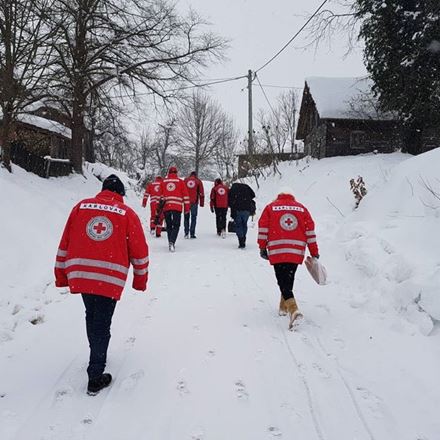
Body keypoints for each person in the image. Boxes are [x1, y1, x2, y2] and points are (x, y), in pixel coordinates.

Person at [54, 175, 149, 394]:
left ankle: (95, 353)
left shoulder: (80, 207)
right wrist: (140, 279)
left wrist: (61, 274)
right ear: (121, 194)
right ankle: (95, 374)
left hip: (81, 274)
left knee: (92, 314)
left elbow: (65, 242)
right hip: (109, 277)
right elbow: (139, 249)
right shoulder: (127, 214)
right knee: (102, 322)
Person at [257, 187, 319, 329]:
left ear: (278, 196)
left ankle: (293, 310)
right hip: (295, 250)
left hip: (277, 250)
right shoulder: (302, 209)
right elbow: (310, 231)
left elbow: (263, 228)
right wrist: (314, 251)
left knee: (282, 280)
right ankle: (283, 307)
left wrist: (262, 246)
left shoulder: (271, 207)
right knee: (288, 278)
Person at [160, 166, 190, 252]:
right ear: (176, 173)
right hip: (177, 207)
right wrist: (187, 208)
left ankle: (170, 241)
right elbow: (185, 196)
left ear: (168, 173)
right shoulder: (180, 182)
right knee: (176, 225)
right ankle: (172, 242)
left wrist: (159, 208)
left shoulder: (163, 181)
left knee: (169, 225)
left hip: (166, 207)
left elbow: (160, 196)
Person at [228, 182, 256, 249]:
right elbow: (253, 195)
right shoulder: (246, 186)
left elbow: (230, 199)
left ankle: (241, 240)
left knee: (238, 225)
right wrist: (246, 198)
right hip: (247, 209)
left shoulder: (233, 188)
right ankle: (244, 237)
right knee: (244, 224)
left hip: (237, 209)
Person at [184, 171, 205, 239]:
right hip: (194, 202)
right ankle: (192, 233)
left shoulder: (185, 180)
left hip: (186, 202)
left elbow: (182, 190)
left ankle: (186, 233)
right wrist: (201, 203)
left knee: (186, 217)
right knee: (193, 217)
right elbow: (201, 193)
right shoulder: (198, 181)